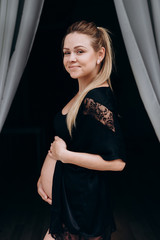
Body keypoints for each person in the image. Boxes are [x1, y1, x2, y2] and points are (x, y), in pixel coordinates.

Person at [37, 20, 126, 240]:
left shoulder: (96, 100)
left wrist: (64, 156)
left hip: (82, 207)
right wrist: (44, 180)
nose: (71, 58)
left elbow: (117, 163)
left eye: (80, 51)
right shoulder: (83, 95)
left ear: (99, 54)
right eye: (66, 52)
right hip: (70, 200)